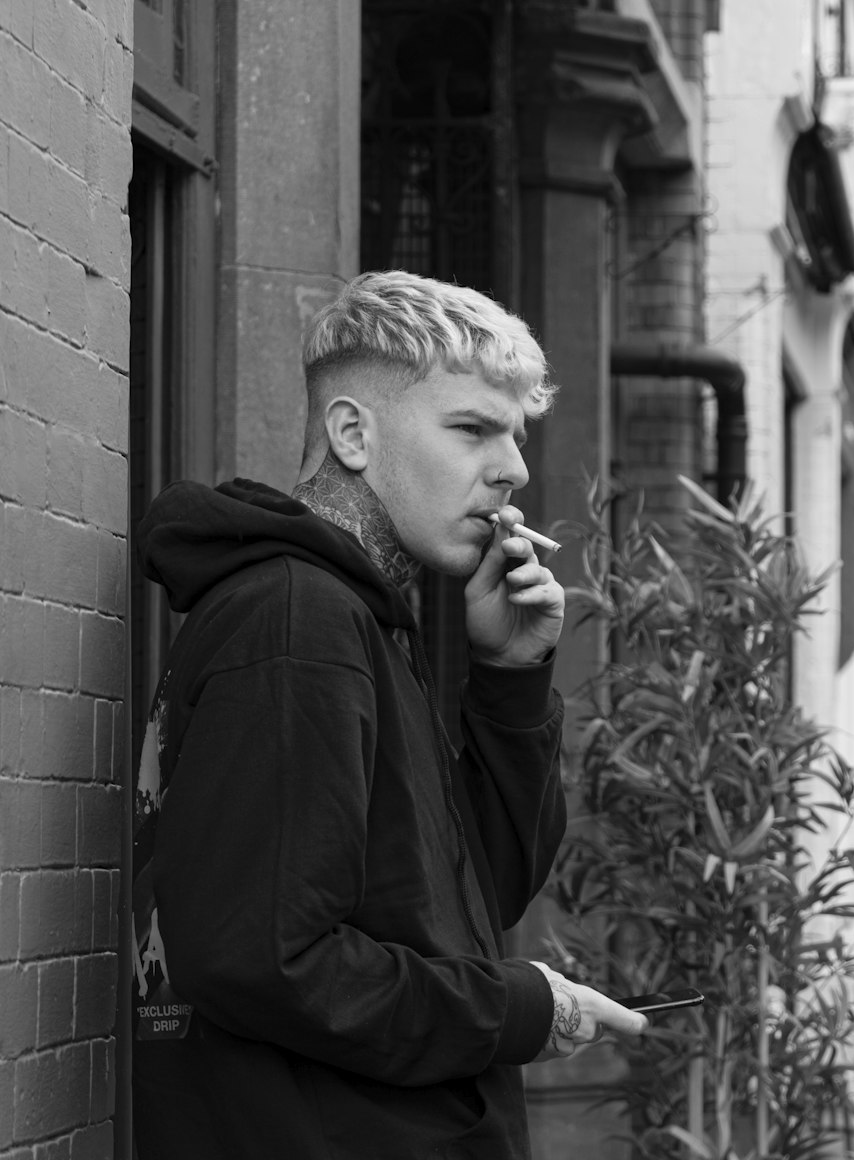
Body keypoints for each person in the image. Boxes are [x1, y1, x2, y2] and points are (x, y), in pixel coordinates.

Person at [130, 270, 649, 1160]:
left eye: (515, 436)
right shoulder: (299, 620)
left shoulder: (352, 620)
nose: (514, 468)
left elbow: (467, 903)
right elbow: (265, 958)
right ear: (352, 434)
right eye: (472, 429)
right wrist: (521, 1007)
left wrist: (511, 677)